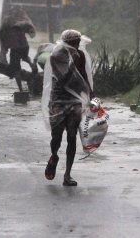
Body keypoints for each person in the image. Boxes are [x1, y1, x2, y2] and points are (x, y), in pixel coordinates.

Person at [41, 29, 93, 186]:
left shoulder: (80, 56)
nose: (78, 45)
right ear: (68, 43)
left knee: (72, 136)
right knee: (56, 137)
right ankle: (54, 155)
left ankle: (68, 174)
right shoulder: (56, 56)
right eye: (75, 42)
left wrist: (91, 96)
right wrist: (71, 65)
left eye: (79, 42)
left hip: (75, 101)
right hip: (58, 100)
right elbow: (63, 78)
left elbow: (84, 77)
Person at [0, 6, 37, 92]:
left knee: (16, 70)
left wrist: (4, 46)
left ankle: (21, 90)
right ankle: (31, 64)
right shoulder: (22, 21)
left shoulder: (7, 20)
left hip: (15, 47)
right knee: (25, 57)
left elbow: (1, 32)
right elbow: (30, 29)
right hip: (24, 46)